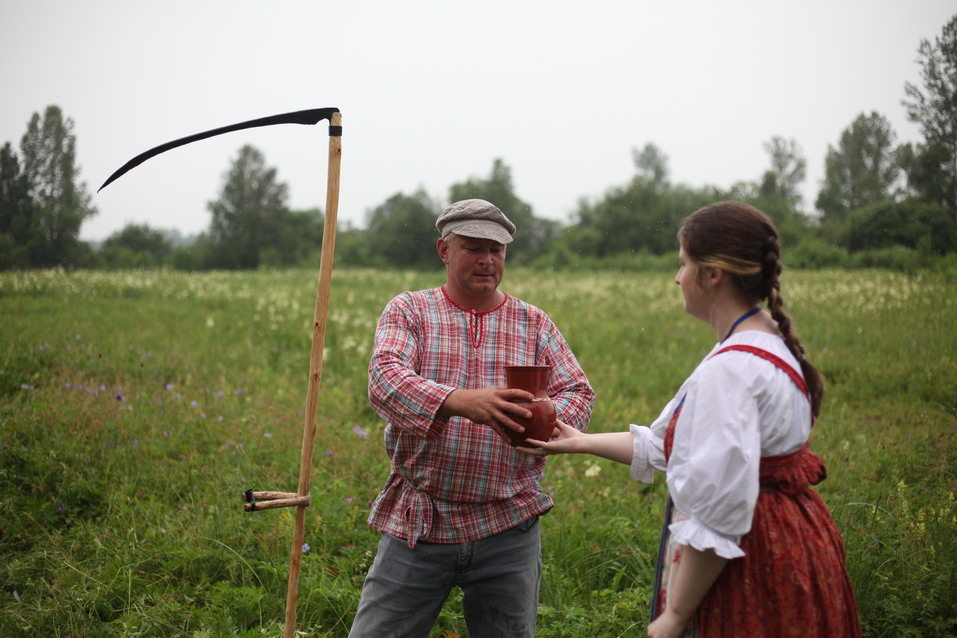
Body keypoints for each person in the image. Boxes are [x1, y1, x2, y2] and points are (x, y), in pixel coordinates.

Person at [520, 201, 861, 638]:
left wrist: (675, 616)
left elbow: (720, 511)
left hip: (750, 560)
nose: (677, 278)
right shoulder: (767, 343)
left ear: (713, 274)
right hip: (795, 542)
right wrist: (580, 441)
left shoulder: (732, 369)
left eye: (683, 264)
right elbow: (671, 446)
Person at [349, 198, 595, 638]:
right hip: (421, 524)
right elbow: (385, 381)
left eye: (495, 251)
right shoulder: (410, 311)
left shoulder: (533, 322)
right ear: (444, 250)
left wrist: (544, 420)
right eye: (472, 248)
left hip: (509, 526)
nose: (486, 261)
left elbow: (578, 391)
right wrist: (463, 402)